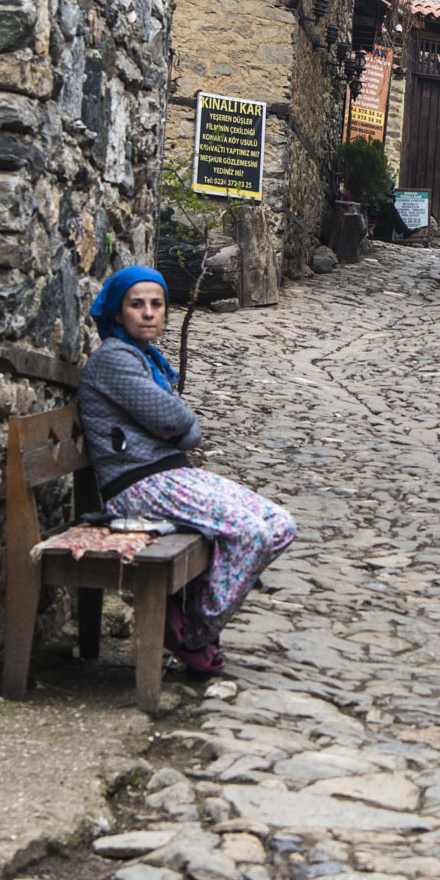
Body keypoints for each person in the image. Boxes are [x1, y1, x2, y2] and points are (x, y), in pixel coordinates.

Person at [77, 266, 295, 677]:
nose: (147, 313)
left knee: (280, 524)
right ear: (119, 312)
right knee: (251, 533)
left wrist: (181, 427)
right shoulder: (114, 360)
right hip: (139, 485)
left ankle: (186, 613)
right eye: (136, 305)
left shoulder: (145, 359)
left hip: (171, 475)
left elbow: (183, 427)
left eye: (156, 305)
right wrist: (180, 427)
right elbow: (178, 421)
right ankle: (193, 633)